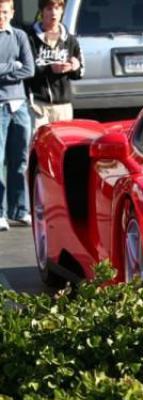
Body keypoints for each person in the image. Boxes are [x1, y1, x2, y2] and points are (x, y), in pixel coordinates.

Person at [0, 0, 35, 232]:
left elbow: (29, 69)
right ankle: (0, 213)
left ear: (12, 13)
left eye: (4, 12)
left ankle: (19, 210)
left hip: (19, 105)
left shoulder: (20, 36)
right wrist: (14, 65)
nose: (0, 16)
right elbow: (20, 68)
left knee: (21, 159)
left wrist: (5, 67)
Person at [27, 0, 83, 129]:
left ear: (62, 11)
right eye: (49, 9)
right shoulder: (30, 38)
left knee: (64, 144)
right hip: (38, 105)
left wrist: (74, 67)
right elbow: (26, 68)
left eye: (57, 9)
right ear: (41, 12)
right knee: (38, 145)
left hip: (63, 106)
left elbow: (80, 71)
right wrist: (49, 68)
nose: (53, 13)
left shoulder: (70, 39)